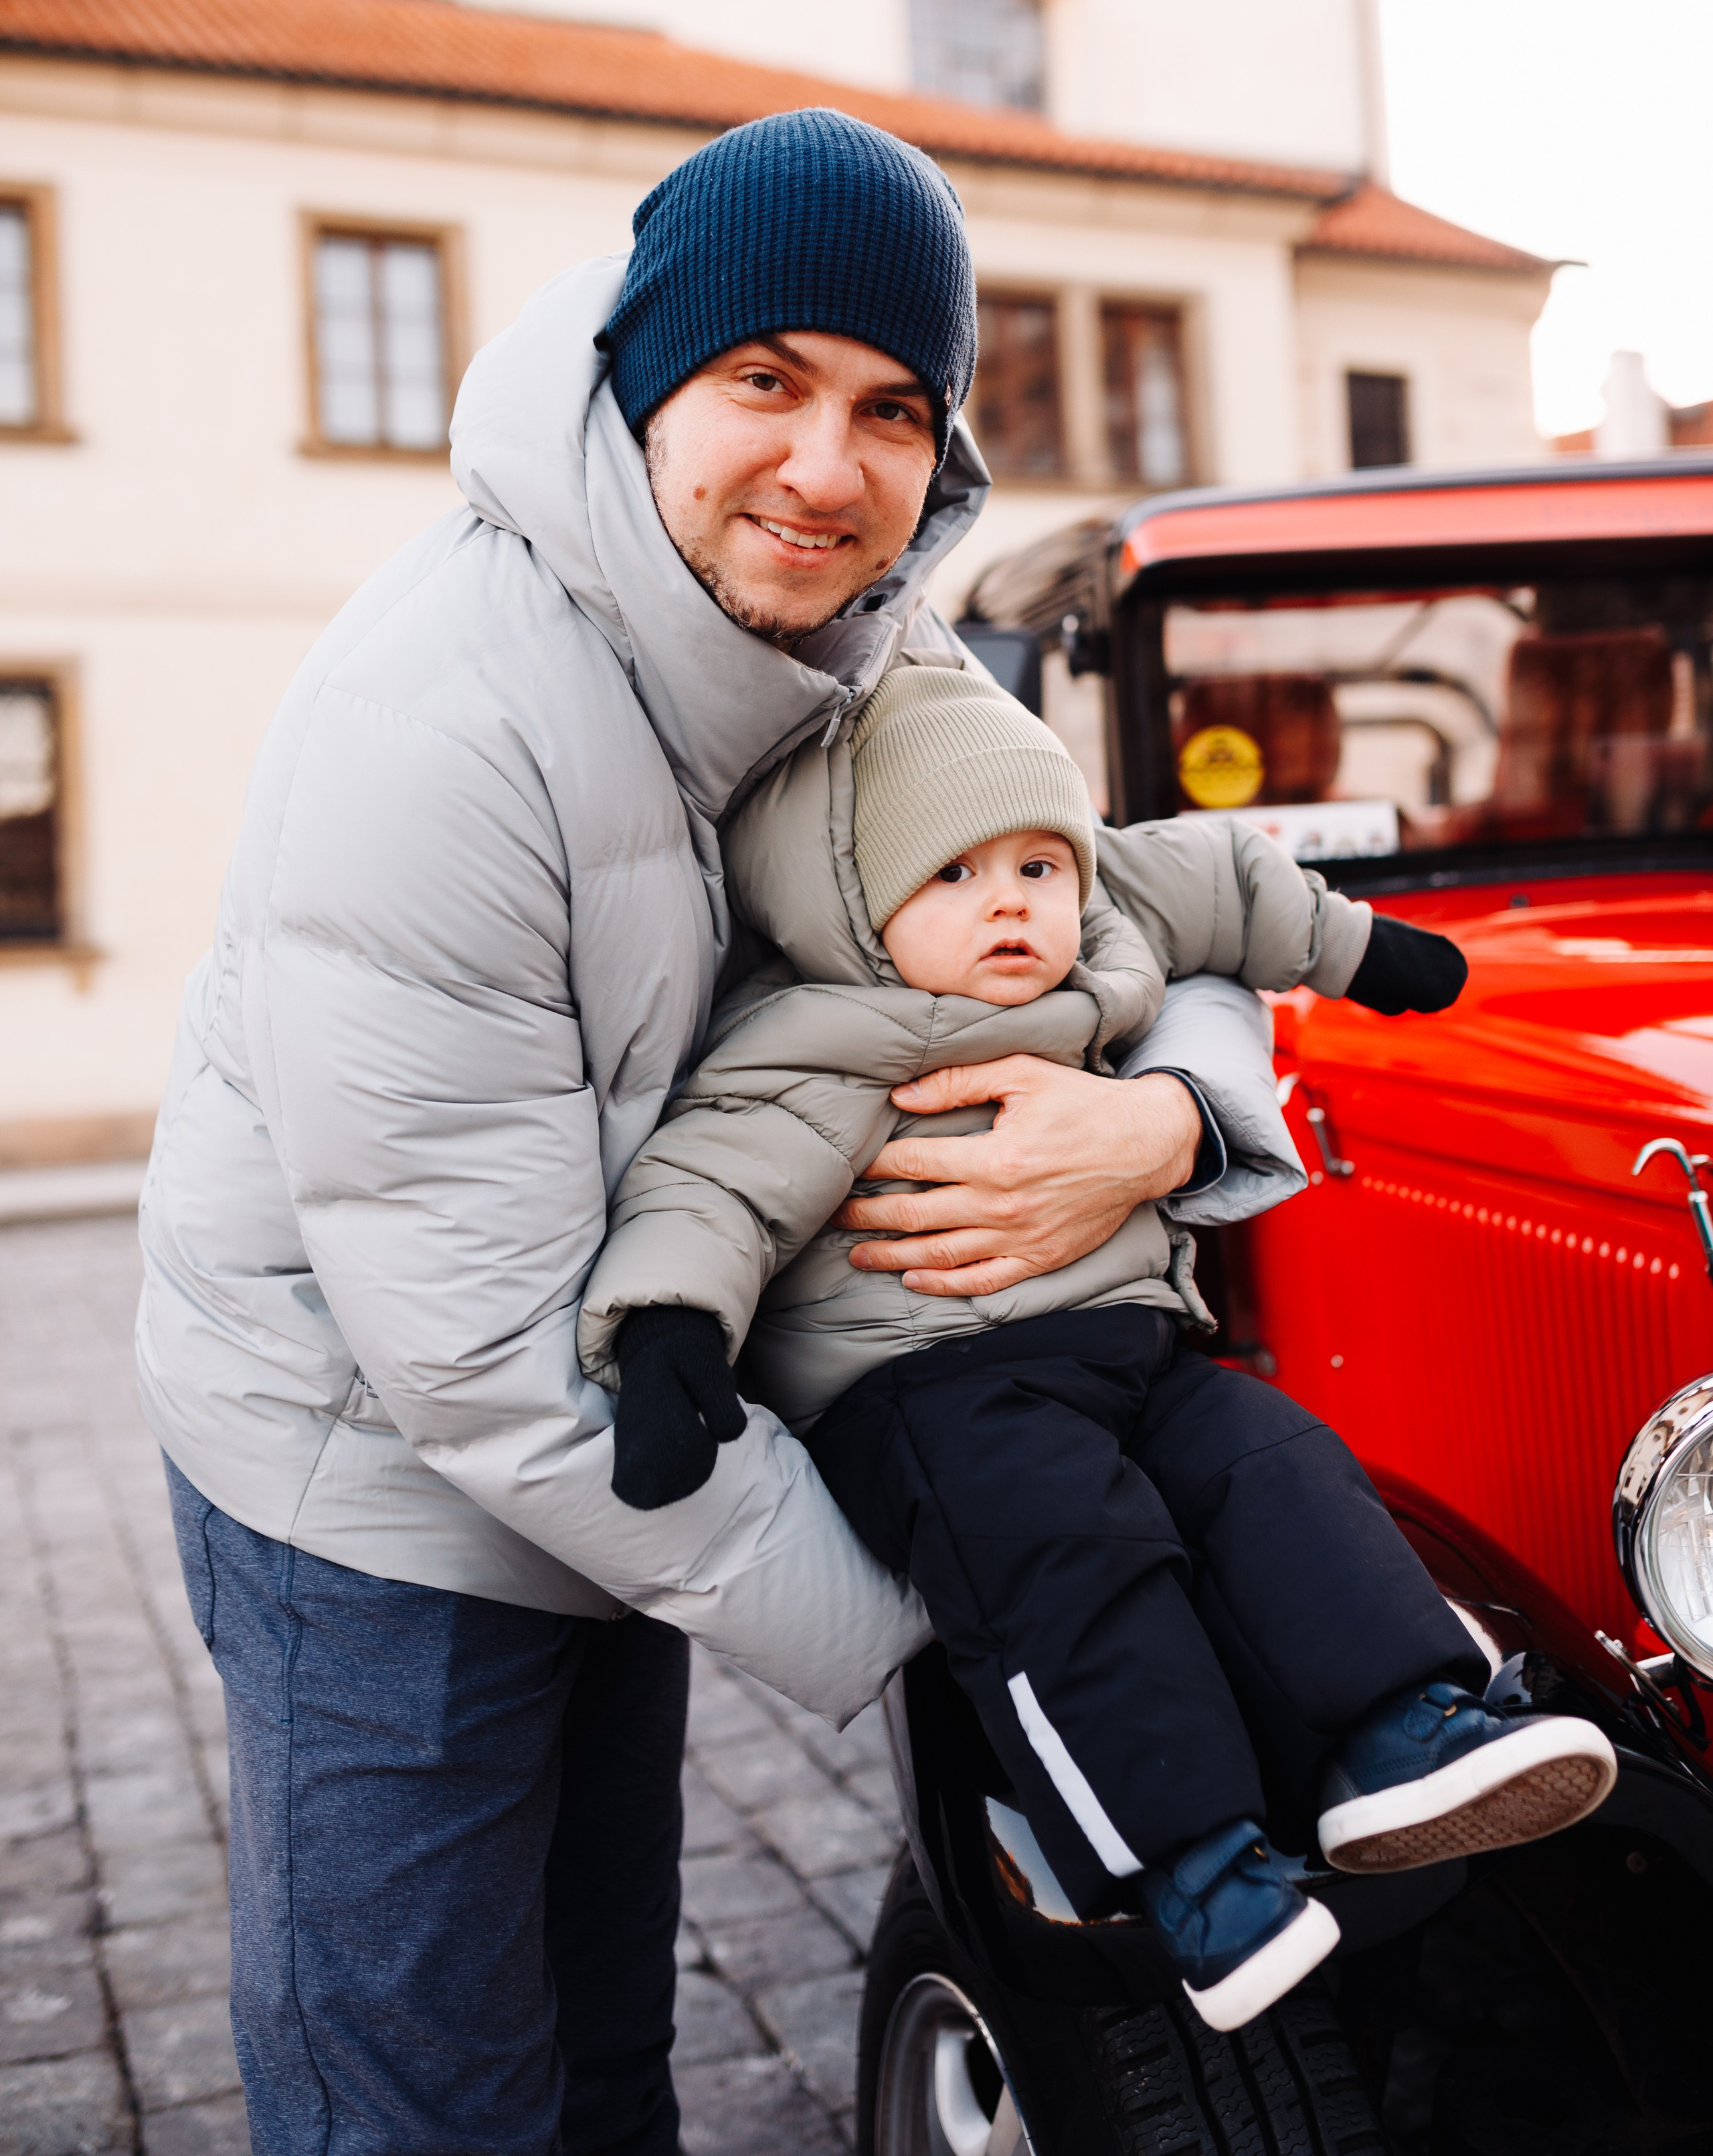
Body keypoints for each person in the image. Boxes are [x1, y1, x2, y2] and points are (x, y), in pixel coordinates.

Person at [136, 110, 1297, 2154]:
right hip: (375, 1467)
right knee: (426, 2097)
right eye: (767, 379)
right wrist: (976, 1585)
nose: (828, 469)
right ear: (647, 376)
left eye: (892, 408)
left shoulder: (870, 644)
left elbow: (1121, 901)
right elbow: (482, 1363)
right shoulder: (441, 728)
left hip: (657, 1411)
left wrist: (1162, 1120)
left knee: (603, 2048)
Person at [575, 664, 1619, 2034]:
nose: (1009, 901)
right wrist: (668, 1336)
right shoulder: (815, 1043)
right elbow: (710, 1187)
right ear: (850, 901)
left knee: (1275, 1460)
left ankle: (1401, 1732)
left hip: (1131, 1357)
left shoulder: (1094, 953)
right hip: (933, 1399)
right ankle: (1195, 1872)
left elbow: (1221, 883)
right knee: (1065, 1553)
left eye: (1037, 865)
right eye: (952, 873)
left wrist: (1361, 949)